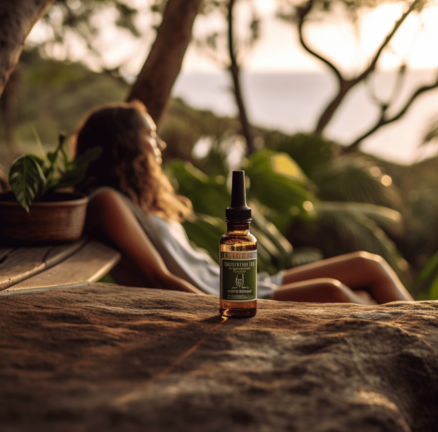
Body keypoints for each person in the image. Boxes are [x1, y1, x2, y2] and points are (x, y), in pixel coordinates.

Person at [73, 101, 413, 305]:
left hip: (232, 280)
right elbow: (157, 276)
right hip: (220, 295)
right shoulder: (106, 200)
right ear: (123, 144)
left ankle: (423, 326)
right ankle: (412, 335)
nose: (159, 143)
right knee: (335, 293)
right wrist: (219, 310)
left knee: (369, 264)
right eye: (149, 135)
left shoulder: (138, 198)